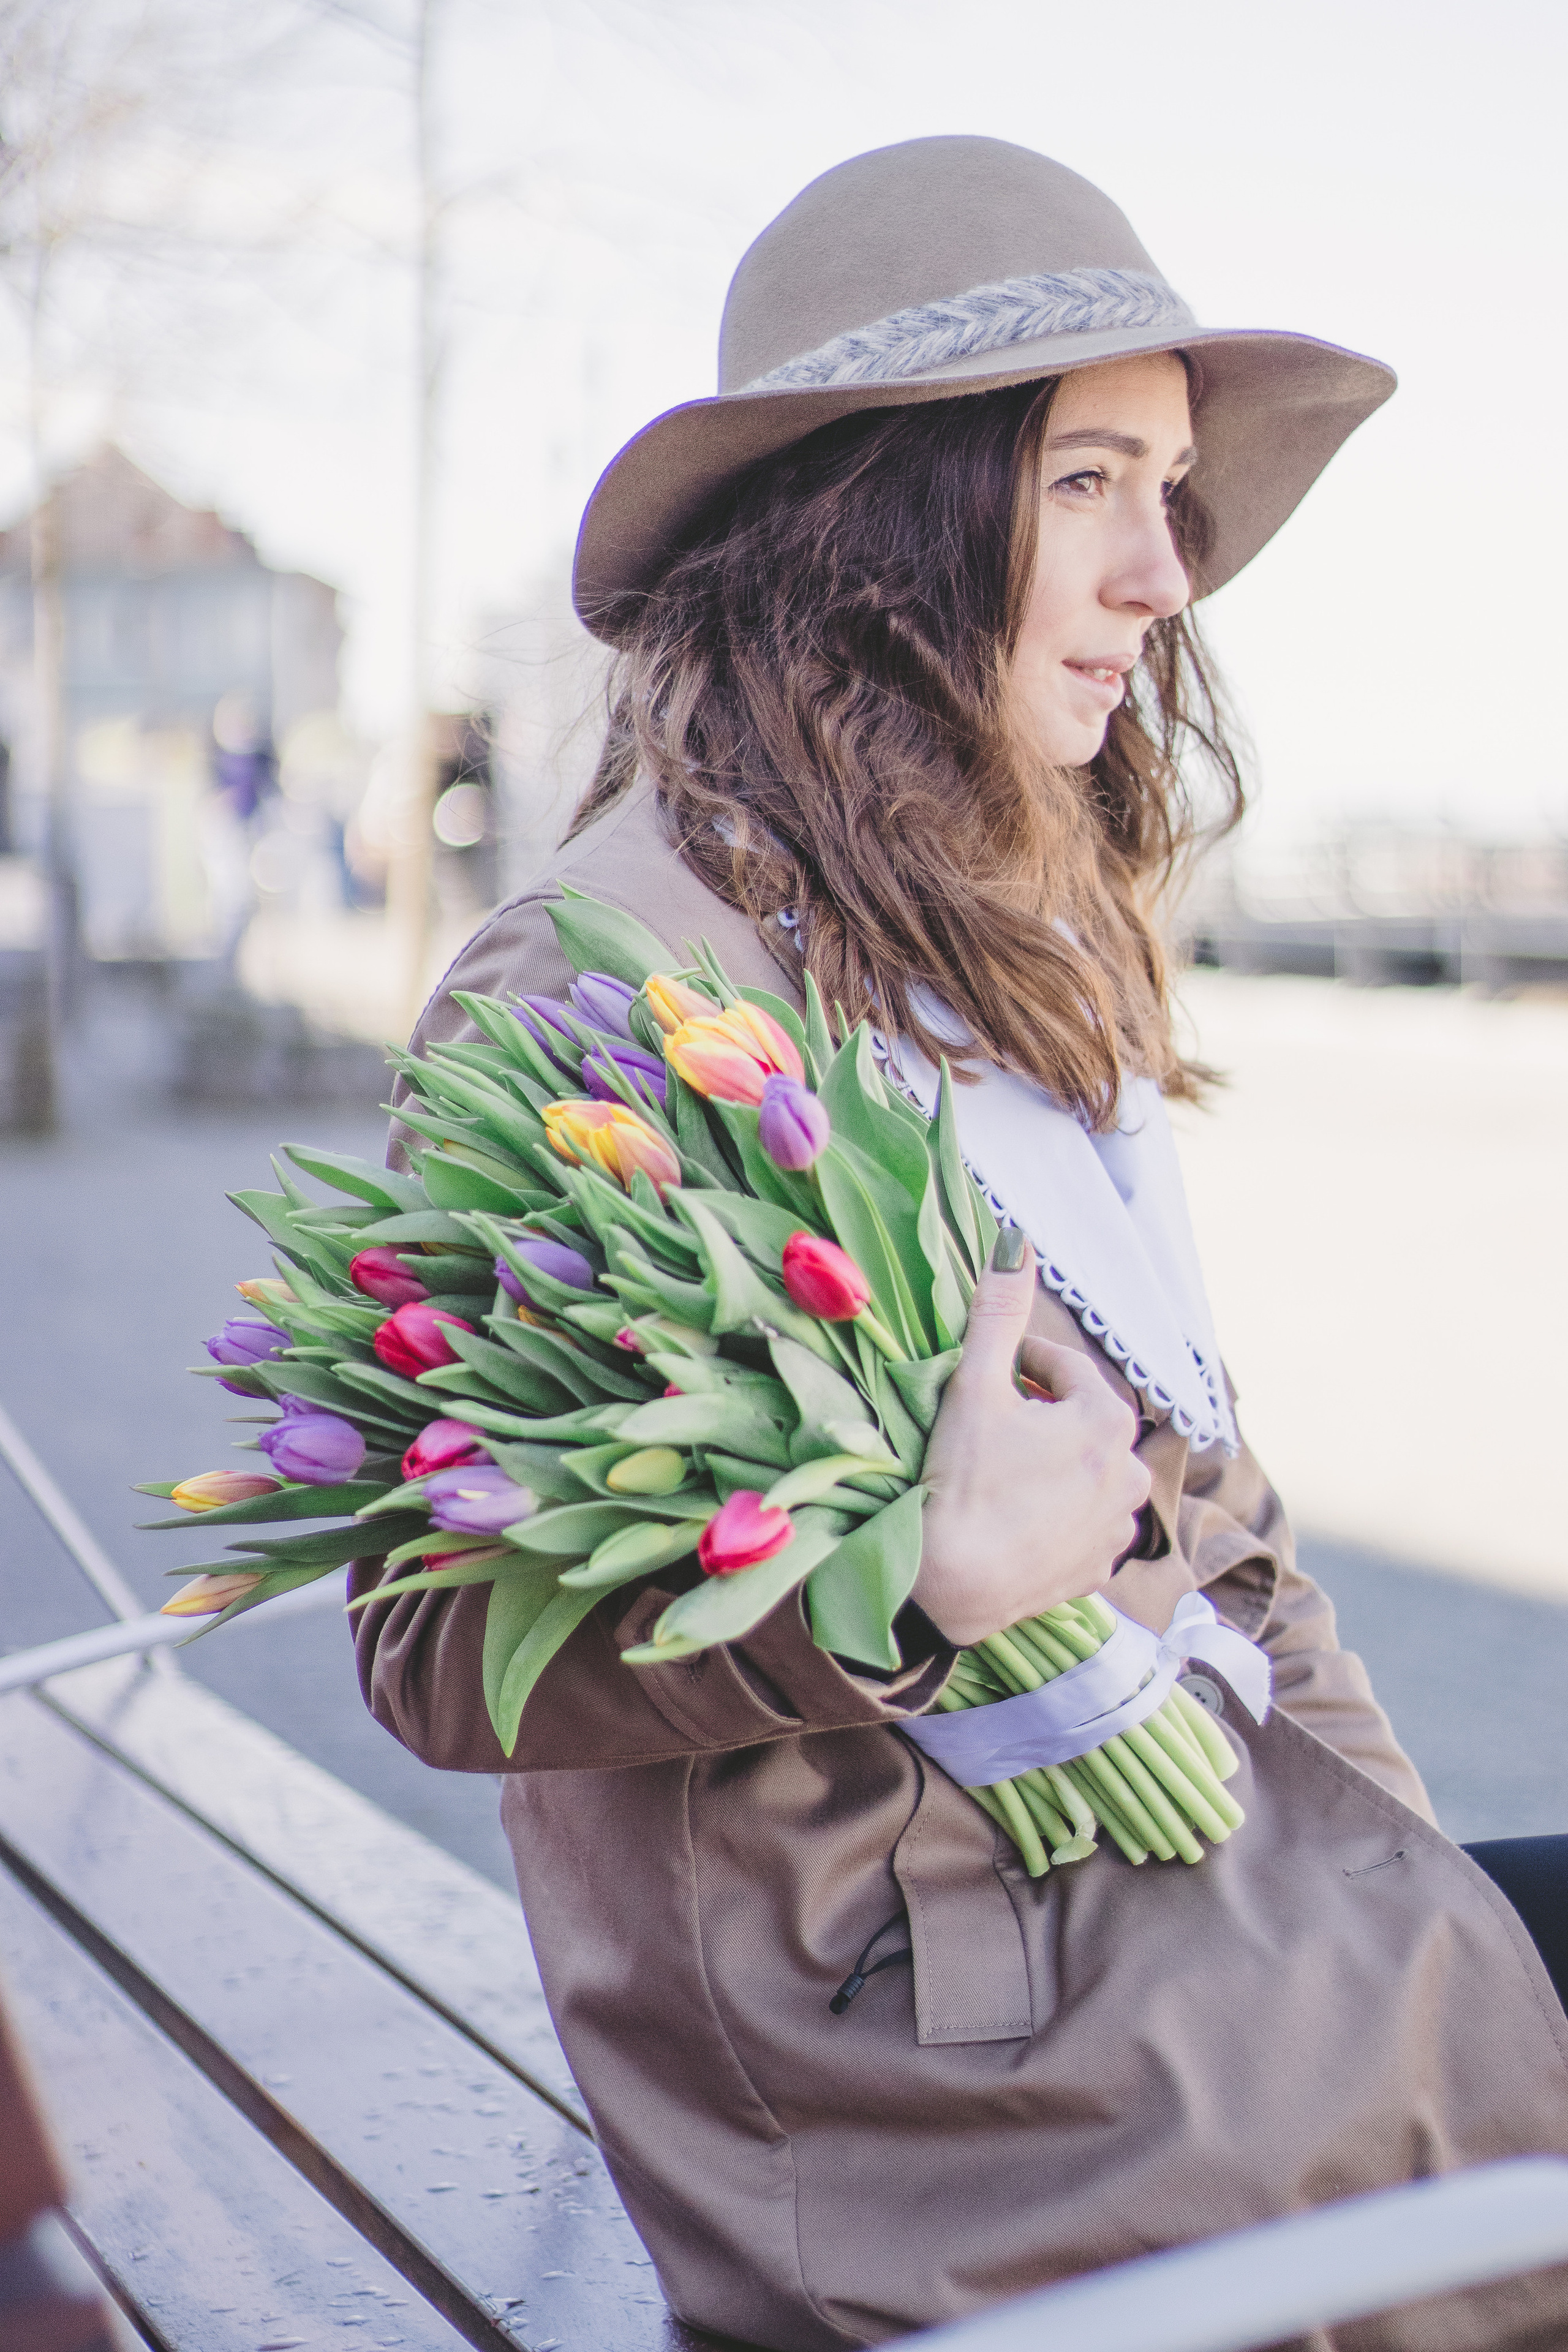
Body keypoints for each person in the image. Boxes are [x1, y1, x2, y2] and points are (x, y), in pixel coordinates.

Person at [350, 138, 1568, 2350]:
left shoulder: (998, 932)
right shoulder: (601, 985)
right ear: (879, 512)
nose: (1166, 571)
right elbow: (434, 1646)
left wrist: (1387, 1851)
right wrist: (907, 1587)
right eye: (1090, 479)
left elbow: (1231, 1527)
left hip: (1183, 1900)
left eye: (1172, 491)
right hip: (939, 2067)